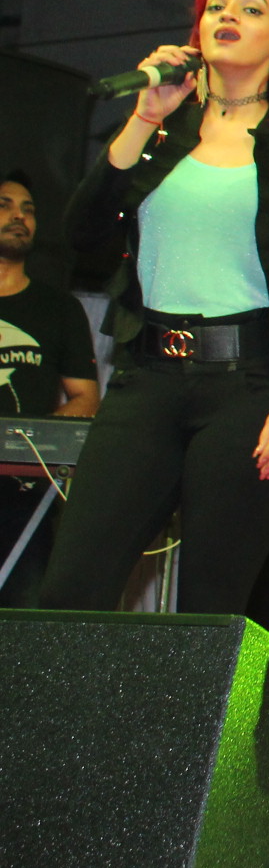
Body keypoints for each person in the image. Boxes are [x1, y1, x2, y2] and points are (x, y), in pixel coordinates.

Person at [37, 0, 269, 616]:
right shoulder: (161, 132)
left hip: (251, 386)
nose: (227, 15)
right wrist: (143, 117)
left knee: (212, 608)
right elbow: (83, 237)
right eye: (215, 5)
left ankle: (219, 693)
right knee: (70, 592)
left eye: (250, 8)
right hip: (145, 380)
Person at [0, 171, 100, 603]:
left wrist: (27, 439)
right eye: (5, 205)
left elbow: (86, 398)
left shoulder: (59, 309)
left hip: (24, 497)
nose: (19, 217)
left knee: (22, 614)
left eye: (28, 210)